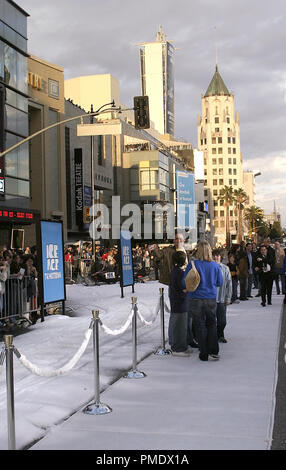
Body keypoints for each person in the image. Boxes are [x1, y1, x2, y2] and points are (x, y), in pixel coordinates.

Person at [184, 241, 223, 362]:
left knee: (199, 325)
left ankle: (204, 352)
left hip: (195, 298)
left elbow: (184, 281)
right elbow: (219, 282)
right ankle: (214, 351)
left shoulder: (193, 264)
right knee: (212, 323)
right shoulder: (215, 266)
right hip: (210, 298)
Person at [168, 251, 191, 357]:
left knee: (176, 323)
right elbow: (182, 287)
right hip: (180, 302)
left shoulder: (174, 271)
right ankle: (178, 347)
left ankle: (179, 345)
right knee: (180, 325)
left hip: (176, 301)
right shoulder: (180, 273)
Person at [213, 249, 232, 343]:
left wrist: (228, 298)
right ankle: (215, 336)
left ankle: (220, 334)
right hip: (211, 299)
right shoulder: (210, 268)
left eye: (218, 255)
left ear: (221, 257)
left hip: (221, 299)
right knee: (211, 321)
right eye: (214, 256)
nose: (216, 257)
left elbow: (229, 284)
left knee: (222, 321)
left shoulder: (225, 268)